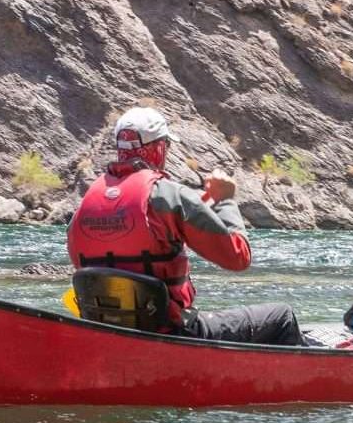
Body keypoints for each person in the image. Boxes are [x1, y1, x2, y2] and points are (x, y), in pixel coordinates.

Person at [67, 107, 303, 343]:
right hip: (172, 332)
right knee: (282, 316)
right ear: (159, 149)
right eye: (166, 146)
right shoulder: (170, 197)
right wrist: (225, 200)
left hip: (110, 332)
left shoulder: (86, 205)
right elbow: (238, 257)